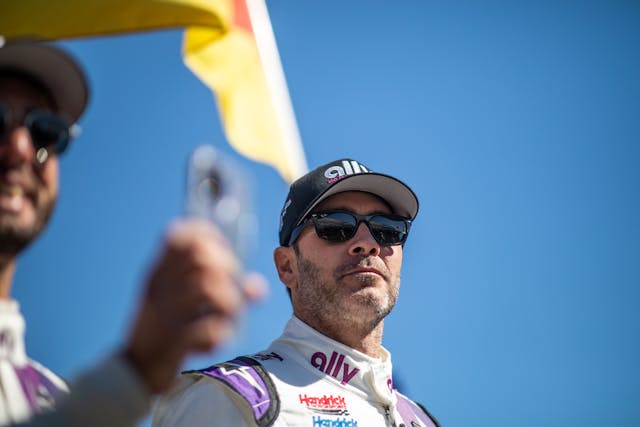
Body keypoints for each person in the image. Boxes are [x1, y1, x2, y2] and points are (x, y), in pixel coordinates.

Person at [0, 40, 262, 426]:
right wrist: (135, 373)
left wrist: (139, 369)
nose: (21, 148)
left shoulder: (53, 397)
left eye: (46, 132)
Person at [153, 159, 441, 426]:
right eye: (336, 226)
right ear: (287, 266)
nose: (367, 243)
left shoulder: (421, 420)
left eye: (388, 229)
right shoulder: (236, 397)